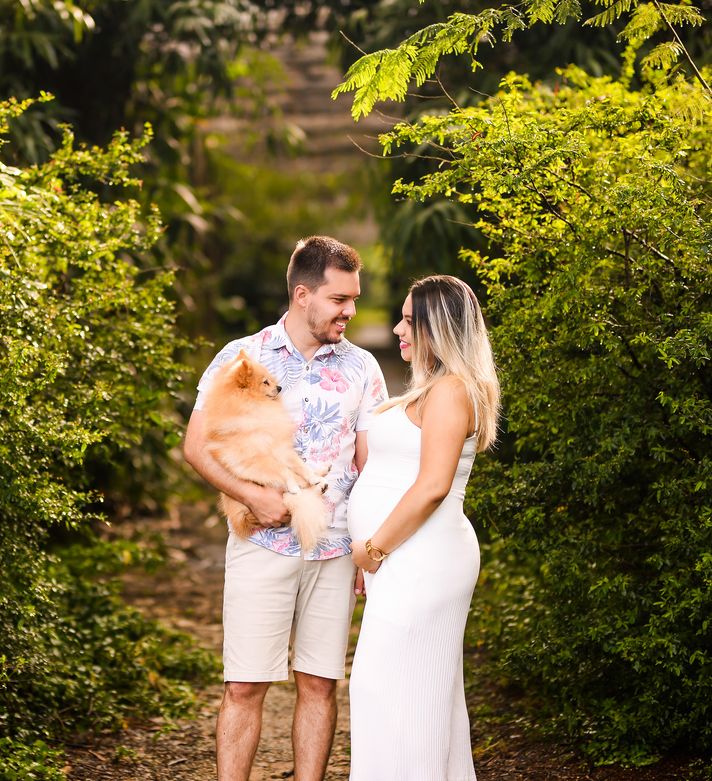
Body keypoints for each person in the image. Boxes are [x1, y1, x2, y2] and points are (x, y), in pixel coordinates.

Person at [184, 235, 388, 781]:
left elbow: (369, 465)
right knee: (245, 685)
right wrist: (252, 496)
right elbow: (196, 446)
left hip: (336, 547)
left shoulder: (364, 367)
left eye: (353, 298)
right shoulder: (240, 357)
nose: (350, 311)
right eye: (339, 300)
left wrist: (369, 545)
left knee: (320, 683)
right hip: (260, 543)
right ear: (303, 294)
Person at [346, 275, 500, 780]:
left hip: (421, 557)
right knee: (410, 691)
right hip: (405, 558)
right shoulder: (433, 389)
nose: (397, 329)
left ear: (440, 327)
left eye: (410, 320)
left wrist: (372, 549)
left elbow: (433, 486)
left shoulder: (454, 391)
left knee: (391, 689)